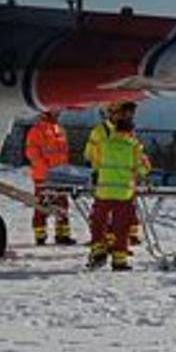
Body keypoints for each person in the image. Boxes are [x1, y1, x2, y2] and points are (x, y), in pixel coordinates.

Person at [87, 107, 151, 271]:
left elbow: (94, 160)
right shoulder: (134, 146)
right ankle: (119, 261)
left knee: (98, 222)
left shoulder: (104, 144)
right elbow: (144, 169)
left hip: (103, 192)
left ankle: (98, 250)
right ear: (130, 131)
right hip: (124, 193)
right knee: (121, 227)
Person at [84, 101, 143, 247]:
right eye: (125, 113)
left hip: (122, 181)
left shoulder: (127, 130)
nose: (129, 117)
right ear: (113, 112)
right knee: (106, 215)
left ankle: (121, 241)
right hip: (107, 180)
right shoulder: (100, 131)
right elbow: (90, 155)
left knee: (123, 215)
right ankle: (110, 243)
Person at [25, 110, 76, 245]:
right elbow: (33, 154)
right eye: (55, 111)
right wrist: (47, 171)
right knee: (42, 205)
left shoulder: (59, 129)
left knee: (62, 203)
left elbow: (64, 153)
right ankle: (40, 235)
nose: (58, 112)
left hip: (60, 175)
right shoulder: (36, 130)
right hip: (44, 176)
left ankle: (63, 234)